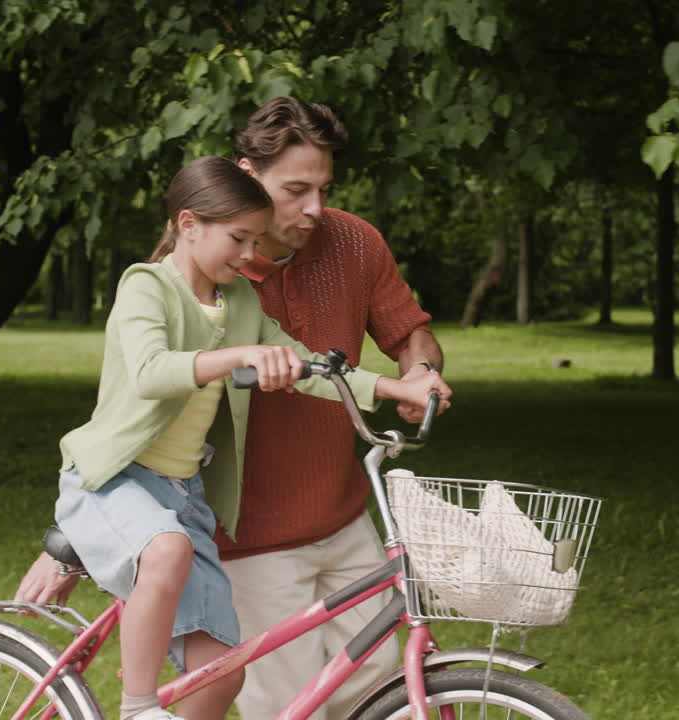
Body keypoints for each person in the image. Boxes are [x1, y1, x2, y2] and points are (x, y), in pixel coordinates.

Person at [32, 155, 450, 720]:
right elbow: (152, 371)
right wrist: (240, 355)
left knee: (222, 677)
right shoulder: (146, 287)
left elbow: (309, 364)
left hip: (181, 498)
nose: (250, 255)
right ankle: (136, 707)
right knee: (167, 548)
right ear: (188, 225)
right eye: (238, 239)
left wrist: (395, 390)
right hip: (115, 480)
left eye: (255, 240)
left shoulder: (241, 301)